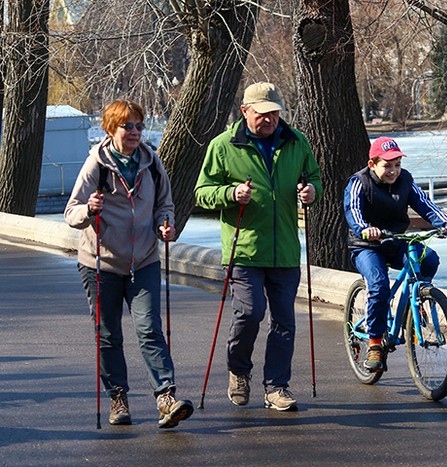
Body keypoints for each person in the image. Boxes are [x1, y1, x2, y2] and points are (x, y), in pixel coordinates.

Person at [64, 99, 194, 428]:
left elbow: (165, 204)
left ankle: (166, 398)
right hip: (100, 263)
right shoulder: (96, 164)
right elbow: (72, 213)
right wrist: (90, 209)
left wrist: (166, 224)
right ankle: (118, 398)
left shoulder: (151, 162)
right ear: (111, 129)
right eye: (127, 126)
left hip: (145, 259)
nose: (135, 132)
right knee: (108, 335)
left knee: (149, 328)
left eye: (138, 125)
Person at [193, 82, 322, 411]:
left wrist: (311, 193)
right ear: (245, 111)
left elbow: (314, 178)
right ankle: (239, 370)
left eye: (275, 114)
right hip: (245, 249)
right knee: (250, 314)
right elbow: (203, 192)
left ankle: (276, 386)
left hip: (286, 251)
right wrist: (230, 194)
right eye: (262, 114)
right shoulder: (223, 146)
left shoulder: (296, 141)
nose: (269, 120)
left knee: (284, 323)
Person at [343, 136, 447, 372]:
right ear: (372, 164)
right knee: (378, 285)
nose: (393, 171)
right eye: (387, 165)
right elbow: (353, 211)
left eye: (397, 164)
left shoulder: (405, 180)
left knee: (428, 259)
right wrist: (365, 229)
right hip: (367, 245)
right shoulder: (359, 182)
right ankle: (376, 343)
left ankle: (416, 300)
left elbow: (424, 204)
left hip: (396, 240)